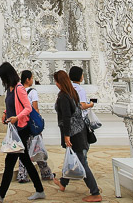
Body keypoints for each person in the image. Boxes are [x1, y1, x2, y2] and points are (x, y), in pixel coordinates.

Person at [0, 63, 45, 202]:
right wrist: (5, 113)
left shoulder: (19, 88)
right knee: (25, 161)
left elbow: (27, 108)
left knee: (10, 162)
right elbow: (11, 105)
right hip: (14, 128)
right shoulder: (10, 88)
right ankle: (40, 190)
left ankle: (1, 194)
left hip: (21, 129)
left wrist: (17, 118)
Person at [53, 71, 101, 201]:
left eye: (56, 82)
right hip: (80, 130)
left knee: (81, 161)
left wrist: (67, 135)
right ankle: (63, 182)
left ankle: (95, 192)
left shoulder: (64, 96)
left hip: (74, 132)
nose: (55, 84)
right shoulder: (72, 93)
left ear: (60, 82)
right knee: (73, 156)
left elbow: (67, 117)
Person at [16, 71, 53, 183]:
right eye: (32, 78)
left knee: (24, 150)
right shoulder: (32, 92)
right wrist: (39, 124)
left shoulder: (18, 91)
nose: (32, 80)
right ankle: (45, 173)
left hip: (22, 123)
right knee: (37, 148)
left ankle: (22, 175)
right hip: (32, 124)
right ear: (27, 79)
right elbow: (35, 109)